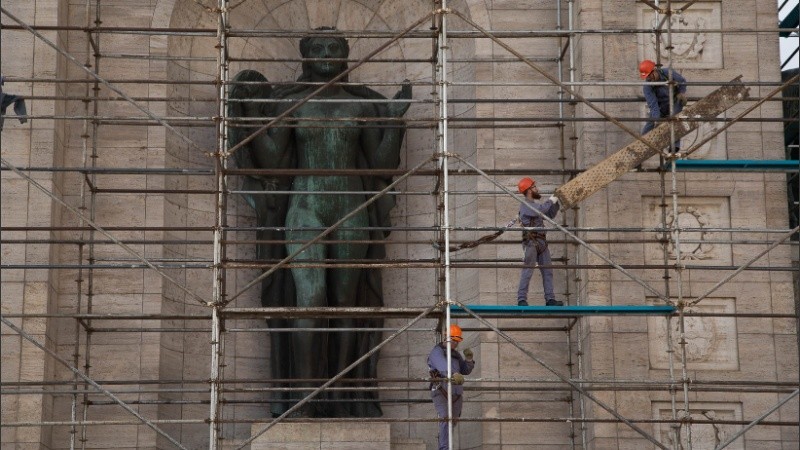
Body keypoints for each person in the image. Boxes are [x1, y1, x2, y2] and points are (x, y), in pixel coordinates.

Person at [228, 27, 411, 418]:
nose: (327, 53)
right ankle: (305, 396)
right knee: (308, 300)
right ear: (306, 57)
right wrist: (250, 118)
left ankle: (342, 395)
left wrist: (394, 121)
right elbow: (275, 164)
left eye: (335, 47)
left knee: (348, 304)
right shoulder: (292, 105)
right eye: (319, 48)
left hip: (351, 207)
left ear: (346, 56)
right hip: (305, 207)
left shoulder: (360, 106)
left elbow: (382, 165)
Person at [516, 177, 563, 307]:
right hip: (531, 242)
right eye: (534, 187)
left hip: (542, 242)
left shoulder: (535, 206)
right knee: (528, 270)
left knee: (548, 271)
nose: (537, 189)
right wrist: (550, 200)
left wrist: (556, 202)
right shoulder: (526, 206)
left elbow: (550, 215)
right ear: (529, 190)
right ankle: (521, 299)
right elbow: (541, 209)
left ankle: (550, 299)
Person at [427, 324, 475, 450]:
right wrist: (453, 374)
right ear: (447, 338)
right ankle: (444, 448)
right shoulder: (436, 352)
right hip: (441, 390)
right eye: (454, 341)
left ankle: (447, 446)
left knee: (452, 421)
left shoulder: (455, 354)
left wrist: (469, 360)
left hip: (456, 393)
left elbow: (464, 370)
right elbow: (442, 366)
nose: (455, 344)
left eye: (457, 341)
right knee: (445, 418)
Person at [639, 59, 688, 152]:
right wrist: (656, 120)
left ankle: (674, 147)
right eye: (647, 77)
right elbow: (653, 105)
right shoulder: (647, 86)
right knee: (650, 123)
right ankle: (640, 147)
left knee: (674, 119)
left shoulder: (667, 73)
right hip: (660, 106)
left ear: (655, 70)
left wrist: (682, 93)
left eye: (650, 76)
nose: (650, 79)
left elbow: (682, 81)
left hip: (675, 101)